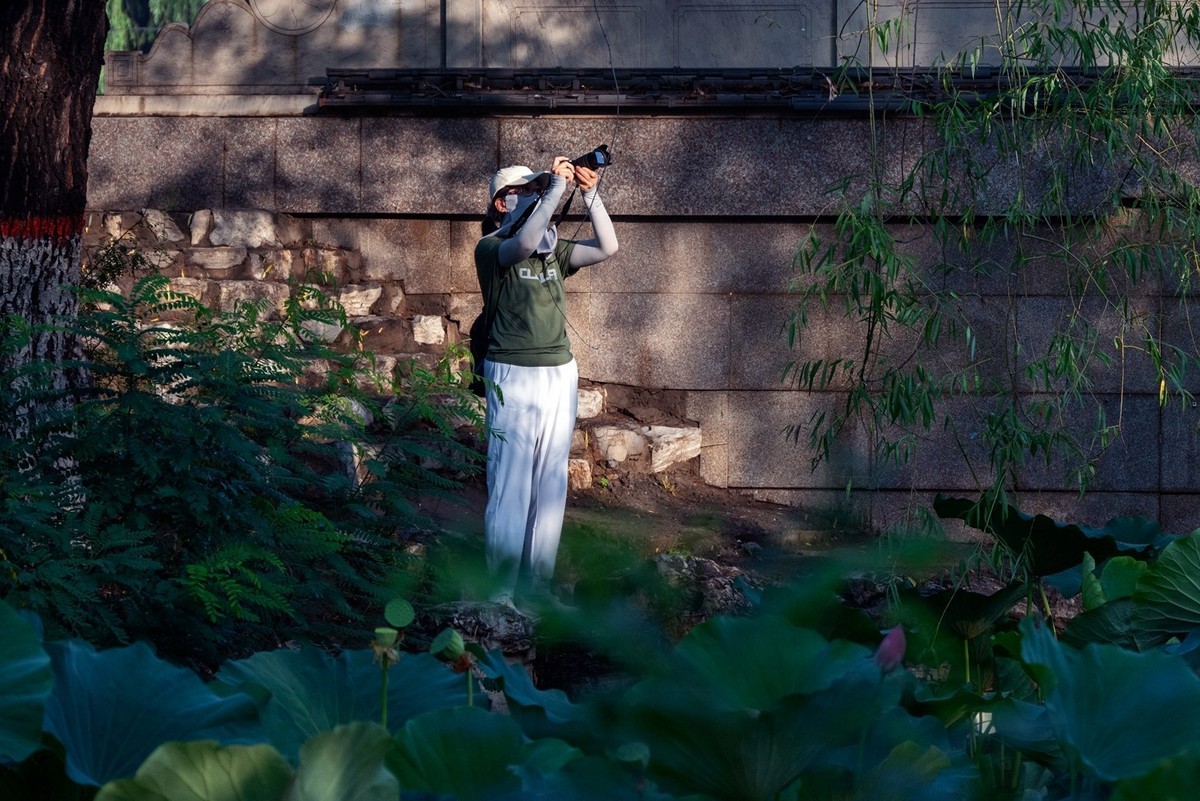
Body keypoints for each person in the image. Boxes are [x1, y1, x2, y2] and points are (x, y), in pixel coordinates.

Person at [475, 155, 618, 608]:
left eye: (538, 187)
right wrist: (555, 190)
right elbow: (521, 245)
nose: (536, 194)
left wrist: (589, 192)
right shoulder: (492, 246)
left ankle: (536, 589)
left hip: (560, 372)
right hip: (513, 371)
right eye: (527, 189)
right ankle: (498, 593)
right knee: (511, 479)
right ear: (501, 203)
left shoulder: (554, 250)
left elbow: (607, 247)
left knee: (550, 479)